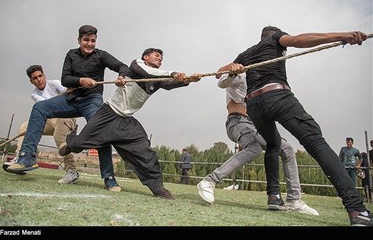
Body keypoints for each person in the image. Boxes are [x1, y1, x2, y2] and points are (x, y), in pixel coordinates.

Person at [220, 26, 372, 226]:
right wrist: (342, 36)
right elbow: (300, 40)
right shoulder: (274, 38)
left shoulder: (246, 53)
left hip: (255, 106)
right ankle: (357, 209)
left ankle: (274, 195)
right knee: (316, 143)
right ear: (275, 34)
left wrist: (232, 69)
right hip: (277, 96)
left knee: (273, 145)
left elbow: (219, 72)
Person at [59, 48, 201, 199]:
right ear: (145, 57)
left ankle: (158, 188)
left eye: (161, 57)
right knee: (81, 142)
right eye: (156, 55)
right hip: (108, 114)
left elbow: (170, 83)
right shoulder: (136, 65)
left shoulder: (157, 79)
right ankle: (69, 144)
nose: (160, 58)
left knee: (146, 154)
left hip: (127, 122)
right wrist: (173, 73)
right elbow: (149, 73)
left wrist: (187, 80)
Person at [7, 25, 129, 192]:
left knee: (102, 132)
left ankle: (109, 177)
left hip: (92, 100)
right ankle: (27, 158)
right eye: (86, 40)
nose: (90, 43)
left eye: (93, 41)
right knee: (39, 108)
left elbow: (123, 66)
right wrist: (81, 81)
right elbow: (65, 79)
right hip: (71, 99)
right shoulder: (71, 54)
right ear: (79, 40)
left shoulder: (101, 55)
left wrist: (121, 77)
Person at [197, 72, 318, 215]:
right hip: (237, 121)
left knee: (287, 148)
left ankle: (294, 200)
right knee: (254, 149)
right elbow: (221, 81)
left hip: (254, 125)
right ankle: (209, 181)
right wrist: (232, 71)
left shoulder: (261, 84)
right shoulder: (241, 75)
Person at [3, 65, 79, 184]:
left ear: (44, 75)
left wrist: (73, 88)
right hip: (50, 119)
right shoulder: (34, 94)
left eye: (40, 76)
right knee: (24, 127)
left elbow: (68, 93)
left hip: (66, 117)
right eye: (35, 78)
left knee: (59, 136)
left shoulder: (54, 83)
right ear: (31, 81)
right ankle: (22, 158)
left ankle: (72, 171)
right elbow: (47, 106)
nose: (39, 79)